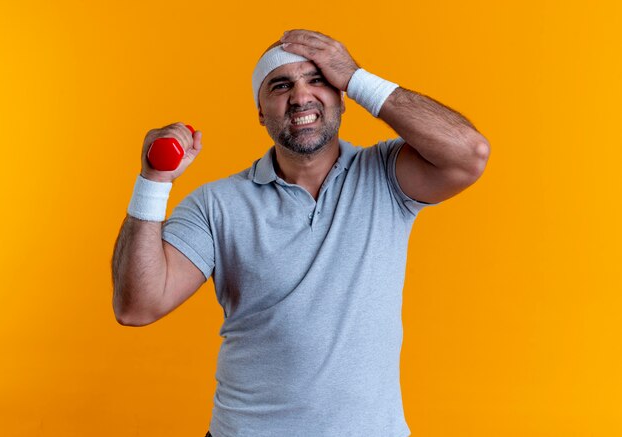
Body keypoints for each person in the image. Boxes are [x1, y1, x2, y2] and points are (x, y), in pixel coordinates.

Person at [112, 29, 490, 437]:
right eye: (280, 85)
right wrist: (154, 180)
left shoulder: (386, 175)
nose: (300, 96)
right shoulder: (216, 204)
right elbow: (137, 306)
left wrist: (356, 76)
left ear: (342, 97)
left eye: (317, 80)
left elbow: (469, 154)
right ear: (260, 112)